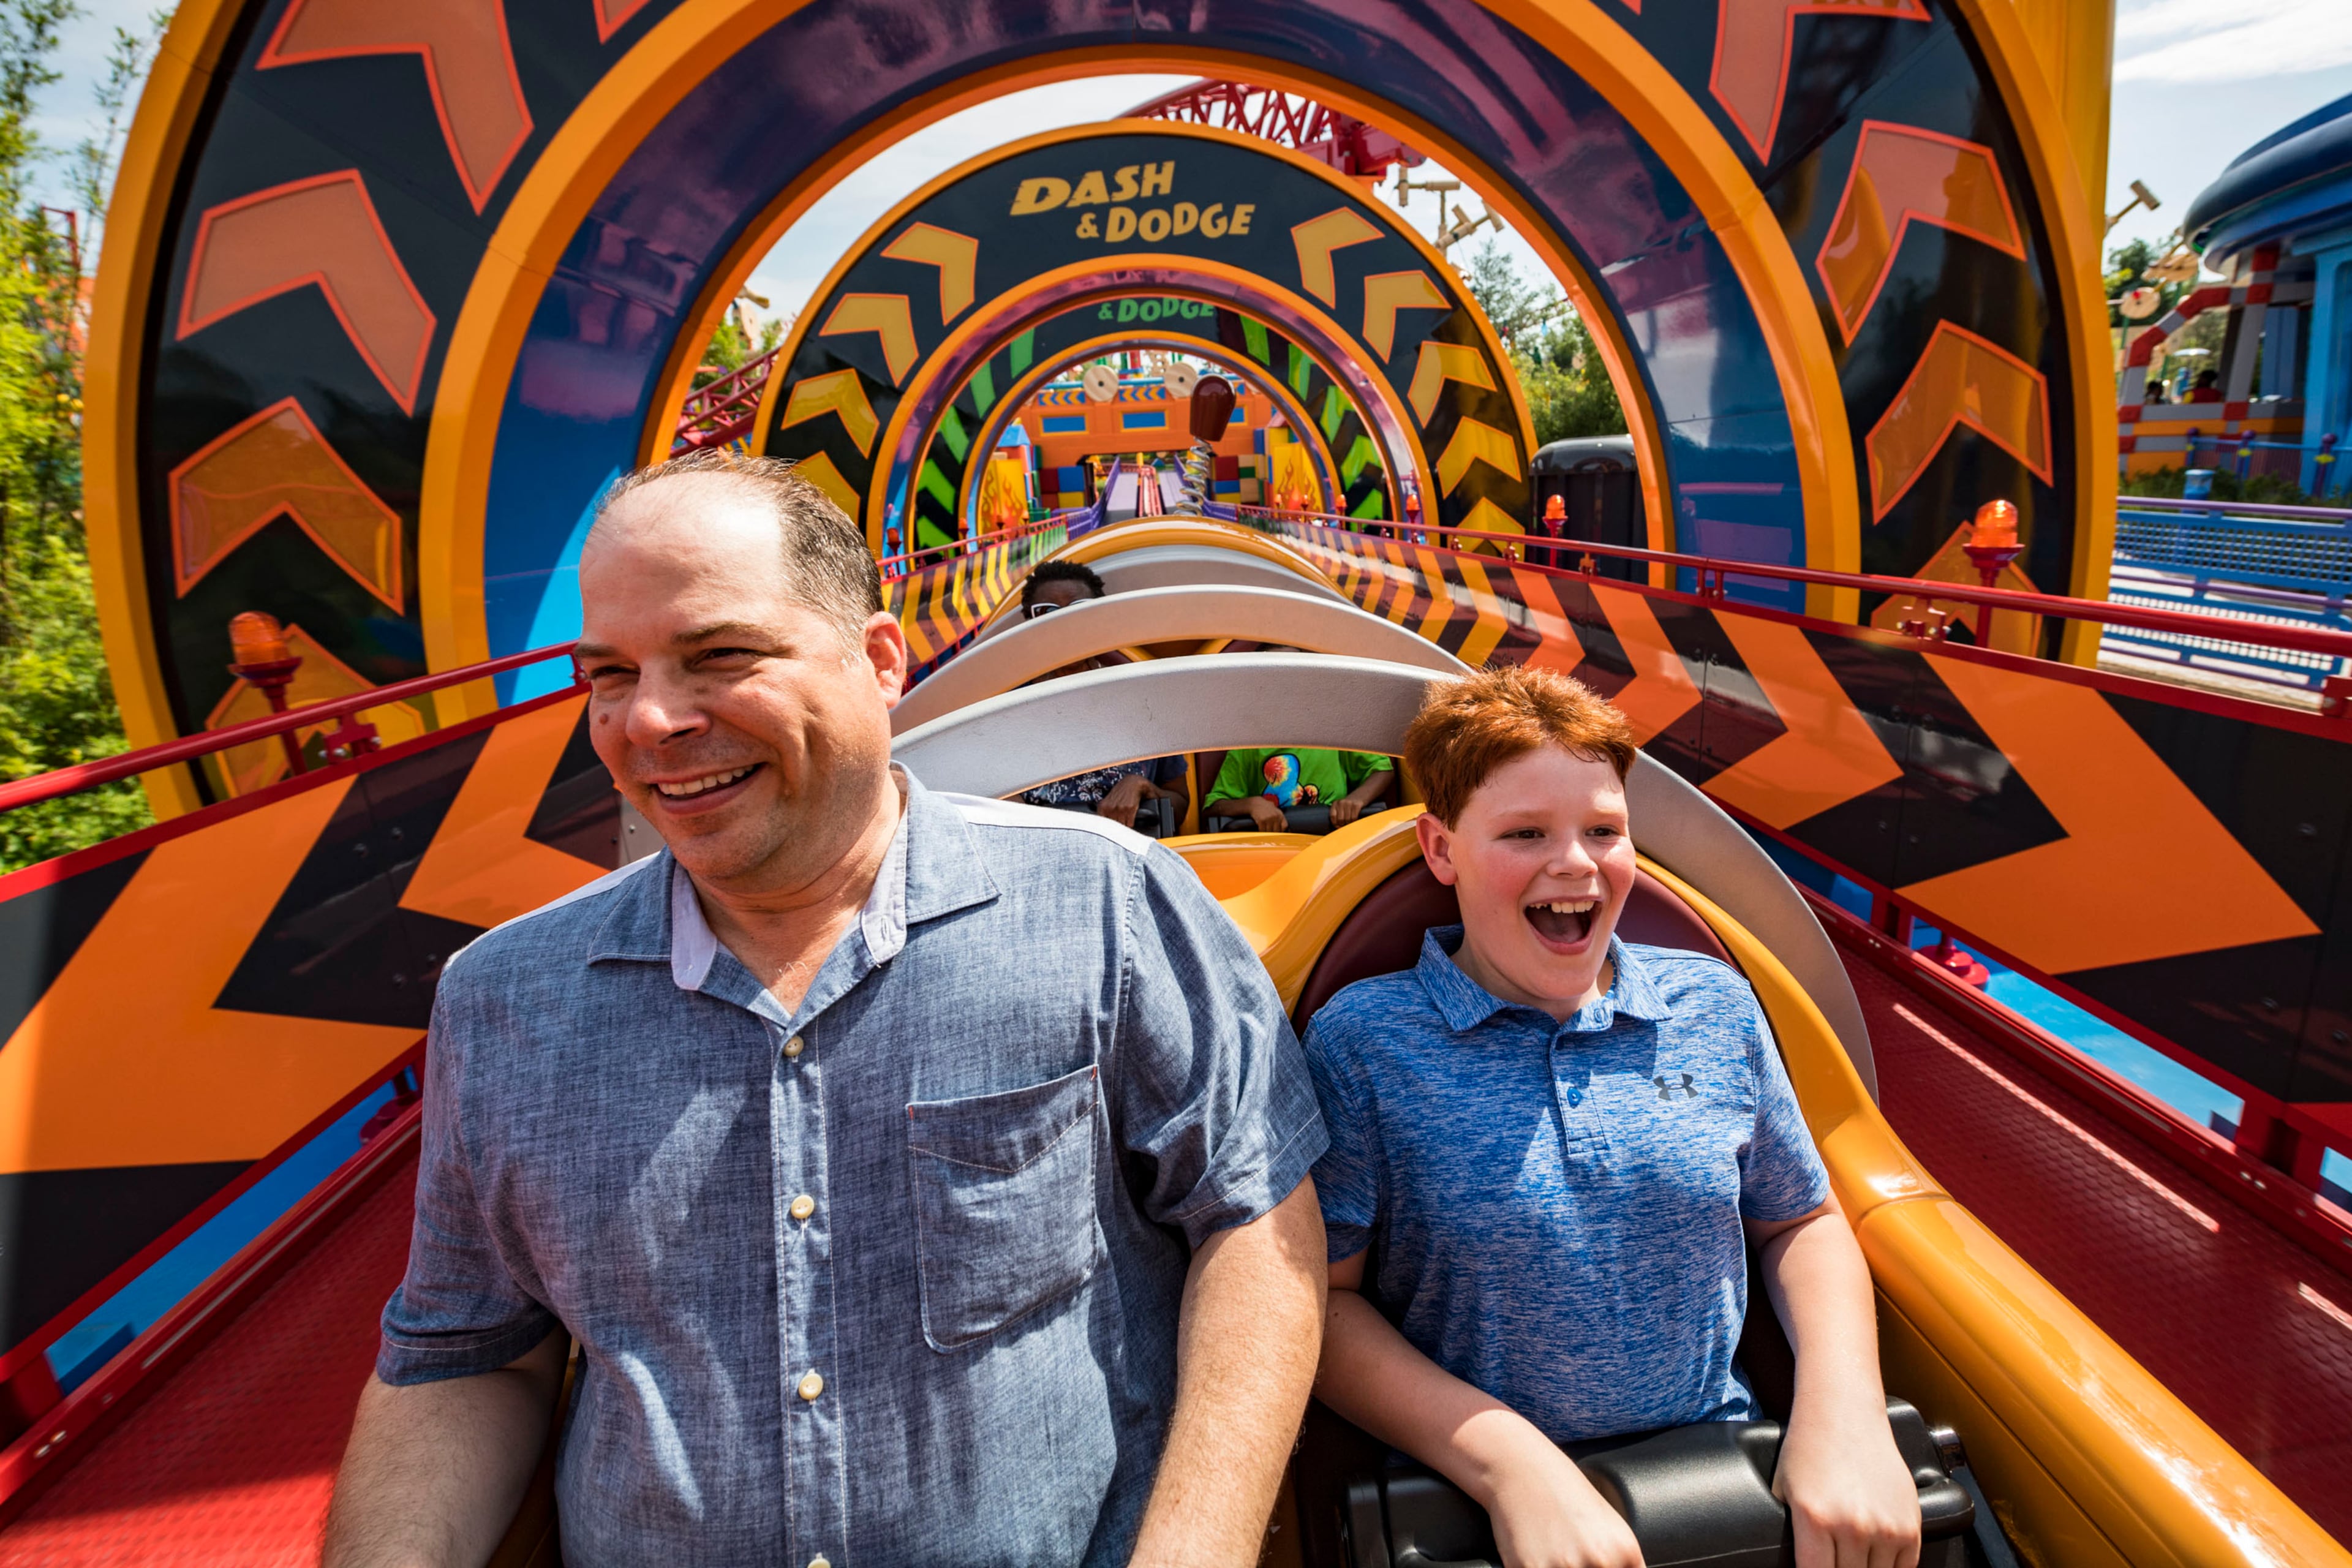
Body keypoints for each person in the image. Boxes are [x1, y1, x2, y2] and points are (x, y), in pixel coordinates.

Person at [323, 450, 1329, 1568]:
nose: (649, 721)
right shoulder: (505, 1001)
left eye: (722, 655)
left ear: (879, 660)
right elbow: (468, 1352)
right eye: (609, 675)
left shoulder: (1106, 906)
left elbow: (1251, 1219)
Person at [1303, 665, 1921, 1568]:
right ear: (1441, 850)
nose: (1576, 865)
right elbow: (1320, 1302)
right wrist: (1510, 1466)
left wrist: (1846, 1415)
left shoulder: (1715, 1005)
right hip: (1471, 1510)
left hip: (1724, 1481)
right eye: (1526, 833)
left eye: (1604, 831)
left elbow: (1801, 1218)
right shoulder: (1365, 1042)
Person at [1015, 559, 1191, 831]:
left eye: (1080, 610)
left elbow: (1180, 804)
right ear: (1030, 623)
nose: (1066, 623)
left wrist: (1142, 786)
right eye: (1048, 612)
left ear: (1099, 618)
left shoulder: (1145, 702)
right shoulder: (1005, 711)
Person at [1204, 745, 1394, 831]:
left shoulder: (1335, 734)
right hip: (1273, 851)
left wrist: (1356, 800)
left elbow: (1382, 771)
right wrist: (1252, 805)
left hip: (1336, 845)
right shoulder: (1248, 745)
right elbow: (1214, 806)